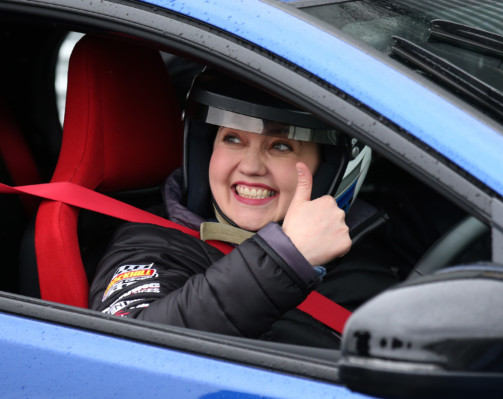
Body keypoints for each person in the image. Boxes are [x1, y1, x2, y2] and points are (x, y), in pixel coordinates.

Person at [88, 69, 396, 343]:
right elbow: (130, 347)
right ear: (205, 150)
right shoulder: (154, 244)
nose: (250, 166)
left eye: (281, 145)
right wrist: (286, 259)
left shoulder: (366, 248)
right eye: (233, 139)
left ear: (328, 169)